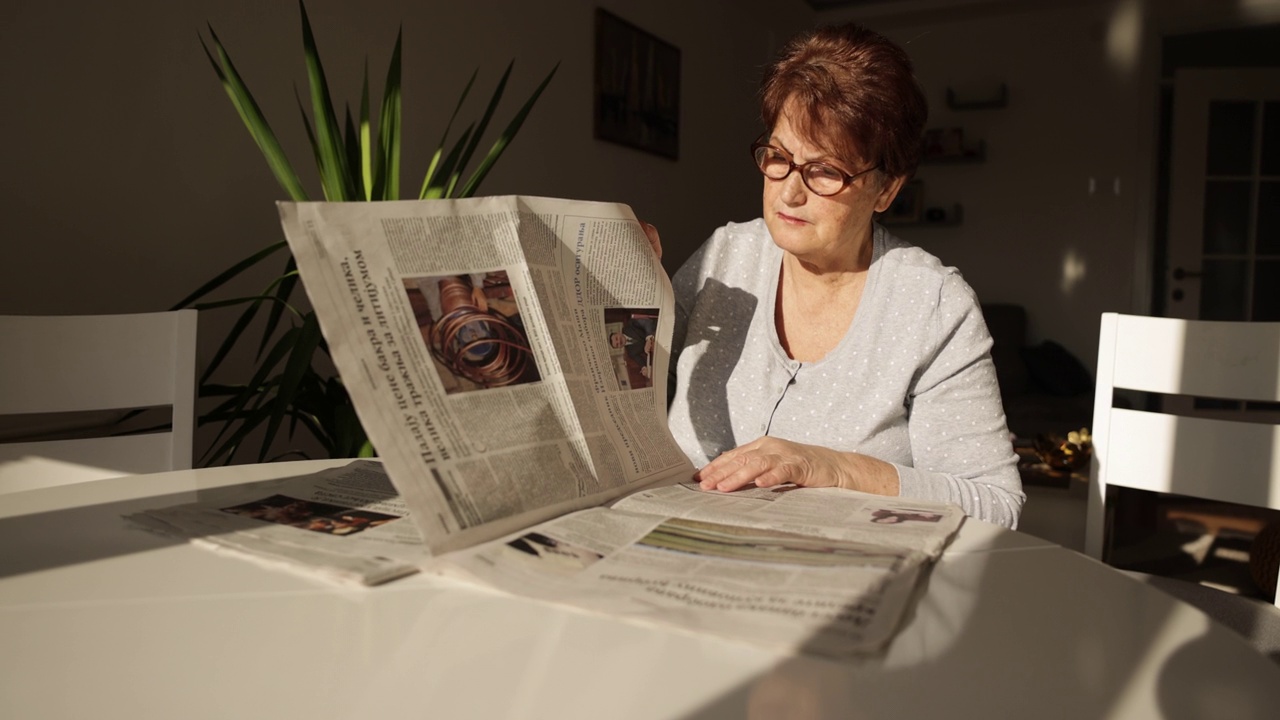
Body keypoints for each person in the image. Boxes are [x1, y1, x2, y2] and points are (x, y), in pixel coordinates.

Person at [662, 23, 1024, 528]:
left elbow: (996, 504)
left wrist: (830, 466)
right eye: (779, 158)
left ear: (886, 190)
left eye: (825, 170)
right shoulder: (726, 256)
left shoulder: (932, 303)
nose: (789, 192)